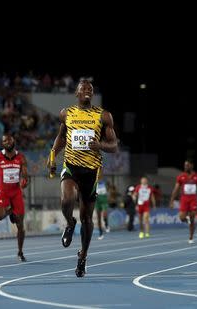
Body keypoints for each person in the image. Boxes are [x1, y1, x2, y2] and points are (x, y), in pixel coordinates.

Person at [47, 78, 118, 277]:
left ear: (92, 94)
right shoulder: (66, 113)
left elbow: (114, 145)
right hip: (71, 166)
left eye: (90, 88)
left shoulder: (103, 116)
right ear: (77, 94)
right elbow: (61, 137)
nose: (87, 90)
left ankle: (83, 257)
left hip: (91, 172)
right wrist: (52, 155)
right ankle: (70, 223)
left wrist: (101, 146)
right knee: (67, 199)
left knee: (87, 218)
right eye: (83, 88)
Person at [0, 134, 29, 262]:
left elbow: (25, 175)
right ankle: (11, 212)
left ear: (14, 141)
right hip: (3, 191)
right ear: (2, 143)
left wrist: (25, 180)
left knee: (20, 225)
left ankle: (20, 251)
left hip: (16, 192)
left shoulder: (21, 157)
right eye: (4, 141)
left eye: (9, 140)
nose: (7, 142)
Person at [169, 160, 197, 243]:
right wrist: (171, 201)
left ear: (192, 165)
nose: (185, 167)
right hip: (184, 199)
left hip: (193, 199)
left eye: (187, 165)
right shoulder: (181, 176)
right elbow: (176, 190)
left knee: (192, 218)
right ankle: (187, 218)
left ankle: (191, 237)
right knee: (181, 217)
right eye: (185, 165)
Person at [95, 175, 109, 240]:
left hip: (104, 200)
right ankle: (100, 233)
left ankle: (106, 224)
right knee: (98, 218)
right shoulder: (93, 182)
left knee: (104, 214)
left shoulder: (104, 181)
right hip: (97, 201)